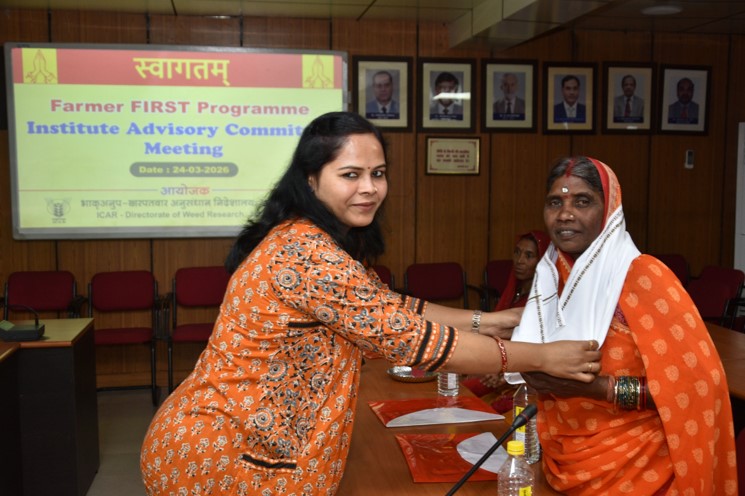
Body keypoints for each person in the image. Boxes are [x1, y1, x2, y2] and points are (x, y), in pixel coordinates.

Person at [139, 112, 602, 496]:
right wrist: (542, 357)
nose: (370, 188)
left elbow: (385, 304)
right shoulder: (306, 253)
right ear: (311, 180)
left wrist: (488, 320)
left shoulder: (312, 238)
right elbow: (416, 342)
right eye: (350, 175)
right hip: (223, 455)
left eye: (378, 174)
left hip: (249, 445)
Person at [511, 156, 738, 495]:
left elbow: (699, 386)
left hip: (641, 468)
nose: (565, 214)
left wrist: (598, 388)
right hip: (561, 459)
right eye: (555, 202)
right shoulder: (550, 277)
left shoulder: (642, 275)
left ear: (609, 210)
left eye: (582, 201)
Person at [463, 230, 550, 412]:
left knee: (480, 405)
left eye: (529, 256)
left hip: (522, 375)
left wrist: (503, 371)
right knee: (460, 391)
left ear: (542, 261)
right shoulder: (514, 291)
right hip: (495, 364)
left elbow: (538, 350)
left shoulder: (544, 300)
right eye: (517, 252)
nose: (519, 260)